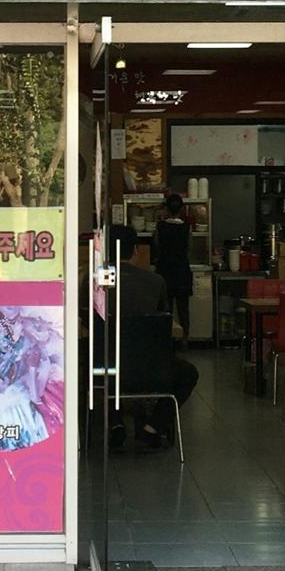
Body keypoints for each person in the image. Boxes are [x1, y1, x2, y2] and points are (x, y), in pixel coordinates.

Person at [106, 223, 198, 450]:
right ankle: (153, 426)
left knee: (85, 364)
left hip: (106, 368)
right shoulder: (155, 282)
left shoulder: (95, 282)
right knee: (188, 373)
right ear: (135, 250)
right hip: (152, 369)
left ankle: (114, 423)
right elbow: (164, 322)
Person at [151, 193, 193, 340]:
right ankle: (184, 340)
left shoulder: (160, 227)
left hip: (164, 271)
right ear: (181, 209)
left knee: (165, 308)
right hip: (182, 271)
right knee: (183, 309)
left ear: (167, 209)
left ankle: (166, 339)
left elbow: (156, 245)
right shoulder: (187, 227)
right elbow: (189, 247)